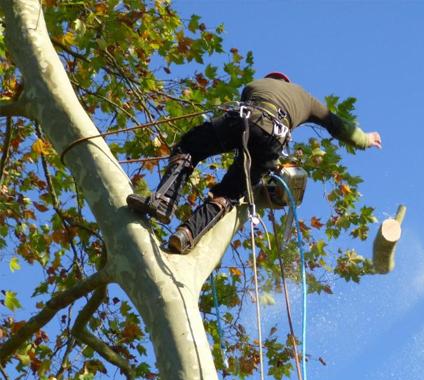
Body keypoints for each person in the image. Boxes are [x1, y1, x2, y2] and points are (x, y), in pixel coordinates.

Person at [126, 72, 382, 253]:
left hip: (243, 119)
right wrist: (365, 139)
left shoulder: (253, 85)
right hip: (274, 140)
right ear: (287, 82)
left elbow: (242, 138)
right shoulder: (304, 98)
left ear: (271, 80)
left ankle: (162, 201)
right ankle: (186, 235)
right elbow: (337, 125)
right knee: (230, 193)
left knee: (189, 148)